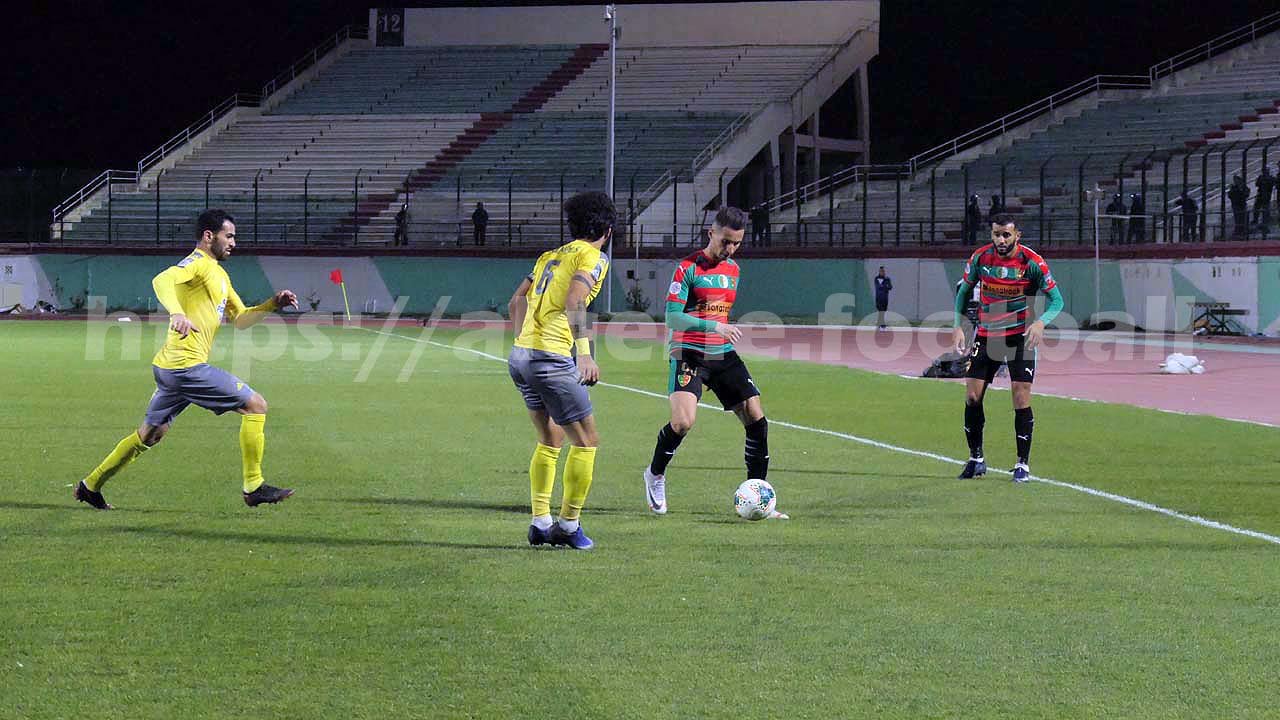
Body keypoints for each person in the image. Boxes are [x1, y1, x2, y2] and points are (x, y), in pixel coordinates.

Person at [75, 209, 298, 510]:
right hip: (186, 367)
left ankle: (90, 486)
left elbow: (242, 319)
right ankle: (253, 486)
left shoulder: (220, 274)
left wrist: (272, 304)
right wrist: (177, 313)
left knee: (150, 435)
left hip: (170, 368)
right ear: (208, 236)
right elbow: (162, 280)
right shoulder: (198, 263)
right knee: (256, 405)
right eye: (229, 236)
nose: (234, 243)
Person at [642, 206, 787, 519]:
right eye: (725, 241)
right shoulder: (687, 268)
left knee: (756, 419)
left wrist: (719, 331)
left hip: (721, 352)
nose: (730, 248)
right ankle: (654, 474)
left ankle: (759, 495)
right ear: (711, 233)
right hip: (688, 351)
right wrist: (715, 327)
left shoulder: (733, 270)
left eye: (737, 243)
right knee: (682, 423)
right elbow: (672, 317)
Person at [506, 191, 612, 550]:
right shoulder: (593, 256)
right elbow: (575, 300)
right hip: (551, 358)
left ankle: (540, 523)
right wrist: (584, 355)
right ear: (608, 230)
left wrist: (525, 340)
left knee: (550, 439)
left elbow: (516, 301)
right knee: (587, 441)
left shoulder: (549, 256)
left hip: (521, 356)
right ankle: (567, 526)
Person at [951, 213, 1064, 484]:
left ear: (1017, 236)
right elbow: (963, 292)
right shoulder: (980, 258)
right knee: (972, 397)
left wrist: (1041, 323)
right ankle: (976, 459)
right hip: (987, 335)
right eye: (996, 234)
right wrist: (958, 325)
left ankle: (1022, 464)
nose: (1001, 240)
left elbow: (1057, 300)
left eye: (1006, 235)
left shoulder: (1032, 262)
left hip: (1019, 337)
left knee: (1020, 396)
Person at [1228, 174, 1249, 239]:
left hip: (1242, 204)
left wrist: (1240, 190)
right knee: (1237, 218)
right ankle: (1238, 231)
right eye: (1235, 180)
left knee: (1242, 218)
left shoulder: (1243, 187)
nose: (1235, 181)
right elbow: (1230, 195)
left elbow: (1246, 194)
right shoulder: (1233, 187)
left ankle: (1242, 231)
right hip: (1236, 204)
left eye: (1236, 180)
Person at [874, 265, 893, 330]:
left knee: (883, 312)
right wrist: (885, 286)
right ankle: (882, 325)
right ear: (879, 271)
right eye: (881, 271)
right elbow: (878, 287)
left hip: (885, 298)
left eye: (883, 271)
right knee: (881, 311)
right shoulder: (876, 278)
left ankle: (879, 324)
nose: (882, 272)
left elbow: (890, 287)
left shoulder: (887, 279)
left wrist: (884, 287)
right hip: (878, 298)